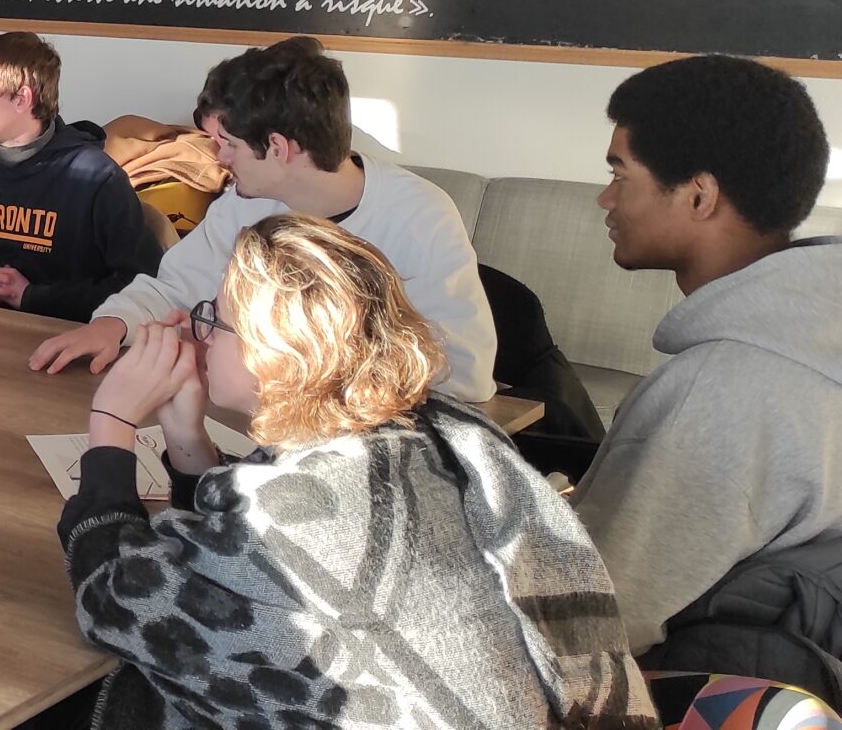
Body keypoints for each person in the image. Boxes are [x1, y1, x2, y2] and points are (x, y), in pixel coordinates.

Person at [58, 215, 657, 729]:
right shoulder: (445, 429)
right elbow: (226, 563)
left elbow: (113, 598)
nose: (197, 331)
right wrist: (186, 436)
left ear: (277, 352)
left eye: (217, 317)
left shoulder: (302, 502)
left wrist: (111, 422)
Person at [30, 36, 496, 403]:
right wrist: (112, 323)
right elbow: (173, 287)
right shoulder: (246, 202)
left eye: (227, 142)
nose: (217, 156)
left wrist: (278, 366)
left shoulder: (419, 217)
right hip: (259, 420)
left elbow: (464, 375)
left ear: (278, 148)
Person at [572, 55, 842, 655]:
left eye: (621, 174)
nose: (604, 198)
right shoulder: (819, 334)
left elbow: (591, 626)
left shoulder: (716, 393)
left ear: (699, 196)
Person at [0, 32, 160, 321]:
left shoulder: (96, 177)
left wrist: (32, 297)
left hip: (53, 335)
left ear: (21, 98)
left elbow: (143, 284)